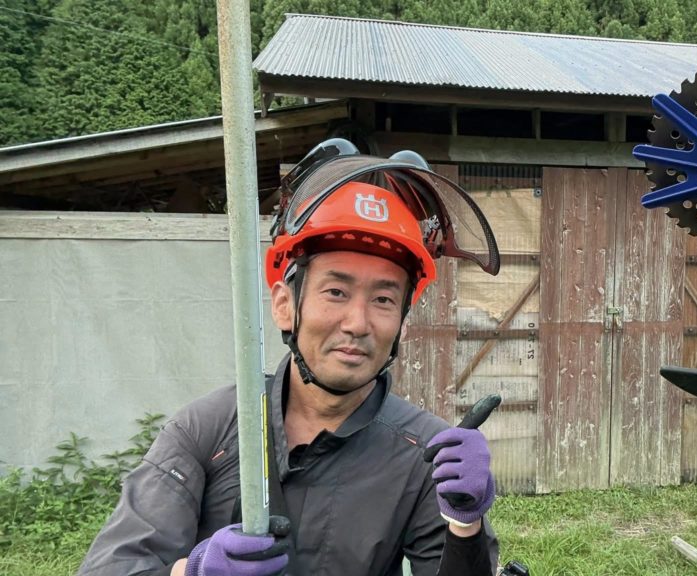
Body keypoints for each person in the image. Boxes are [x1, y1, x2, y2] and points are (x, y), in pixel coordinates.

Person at [77, 139, 503, 576]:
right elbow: (110, 567)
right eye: (335, 291)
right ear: (284, 305)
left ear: (402, 324)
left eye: (383, 299)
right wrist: (191, 572)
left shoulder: (426, 454)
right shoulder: (209, 431)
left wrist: (464, 526)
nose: (358, 323)